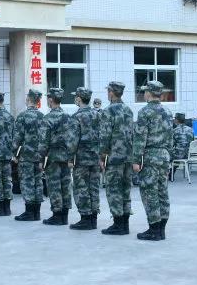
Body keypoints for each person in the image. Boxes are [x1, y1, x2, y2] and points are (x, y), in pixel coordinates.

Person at [132, 80, 173, 241]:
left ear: (149, 93)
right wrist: (169, 155)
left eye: (145, 91)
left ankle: (154, 229)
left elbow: (140, 138)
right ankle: (161, 229)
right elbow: (170, 136)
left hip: (150, 156)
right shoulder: (167, 111)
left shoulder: (145, 112)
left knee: (150, 192)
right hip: (164, 155)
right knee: (162, 191)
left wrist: (136, 160)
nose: (144, 94)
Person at [98, 81, 134, 235]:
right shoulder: (128, 110)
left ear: (112, 92)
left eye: (108, 91)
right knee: (125, 189)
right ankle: (125, 224)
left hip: (113, 157)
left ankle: (118, 224)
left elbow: (105, 136)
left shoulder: (108, 111)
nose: (107, 93)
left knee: (113, 190)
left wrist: (102, 155)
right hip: (128, 156)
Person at [38, 87, 77, 226]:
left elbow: (43, 141)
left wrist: (41, 159)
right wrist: (71, 156)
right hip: (66, 157)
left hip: (53, 157)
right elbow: (73, 139)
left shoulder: (47, 118)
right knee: (66, 185)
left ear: (50, 100)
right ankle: (65, 215)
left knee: (54, 186)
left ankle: (57, 215)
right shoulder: (68, 117)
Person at [69, 87, 101, 230]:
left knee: (81, 187)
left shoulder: (76, 116)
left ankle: (85, 218)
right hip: (95, 157)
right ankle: (93, 217)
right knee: (93, 186)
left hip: (81, 158)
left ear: (79, 98)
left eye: (75, 97)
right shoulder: (98, 114)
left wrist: (70, 158)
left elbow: (72, 140)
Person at [12, 89, 46, 222]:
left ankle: (29, 212)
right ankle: (37, 212)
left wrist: (14, 154)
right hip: (39, 156)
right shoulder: (42, 116)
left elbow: (17, 138)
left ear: (28, 100)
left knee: (27, 182)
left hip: (26, 156)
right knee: (38, 182)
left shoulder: (22, 116)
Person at [169, 112, 195, 182]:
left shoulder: (175, 131)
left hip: (178, 155)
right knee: (180, 152)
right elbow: (192, 141)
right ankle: (171, 173)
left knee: (167, 155)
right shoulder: (191, 130)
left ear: (177, 120)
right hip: (188, 154)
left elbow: (171, 144)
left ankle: (169, 174)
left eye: (175, 119)